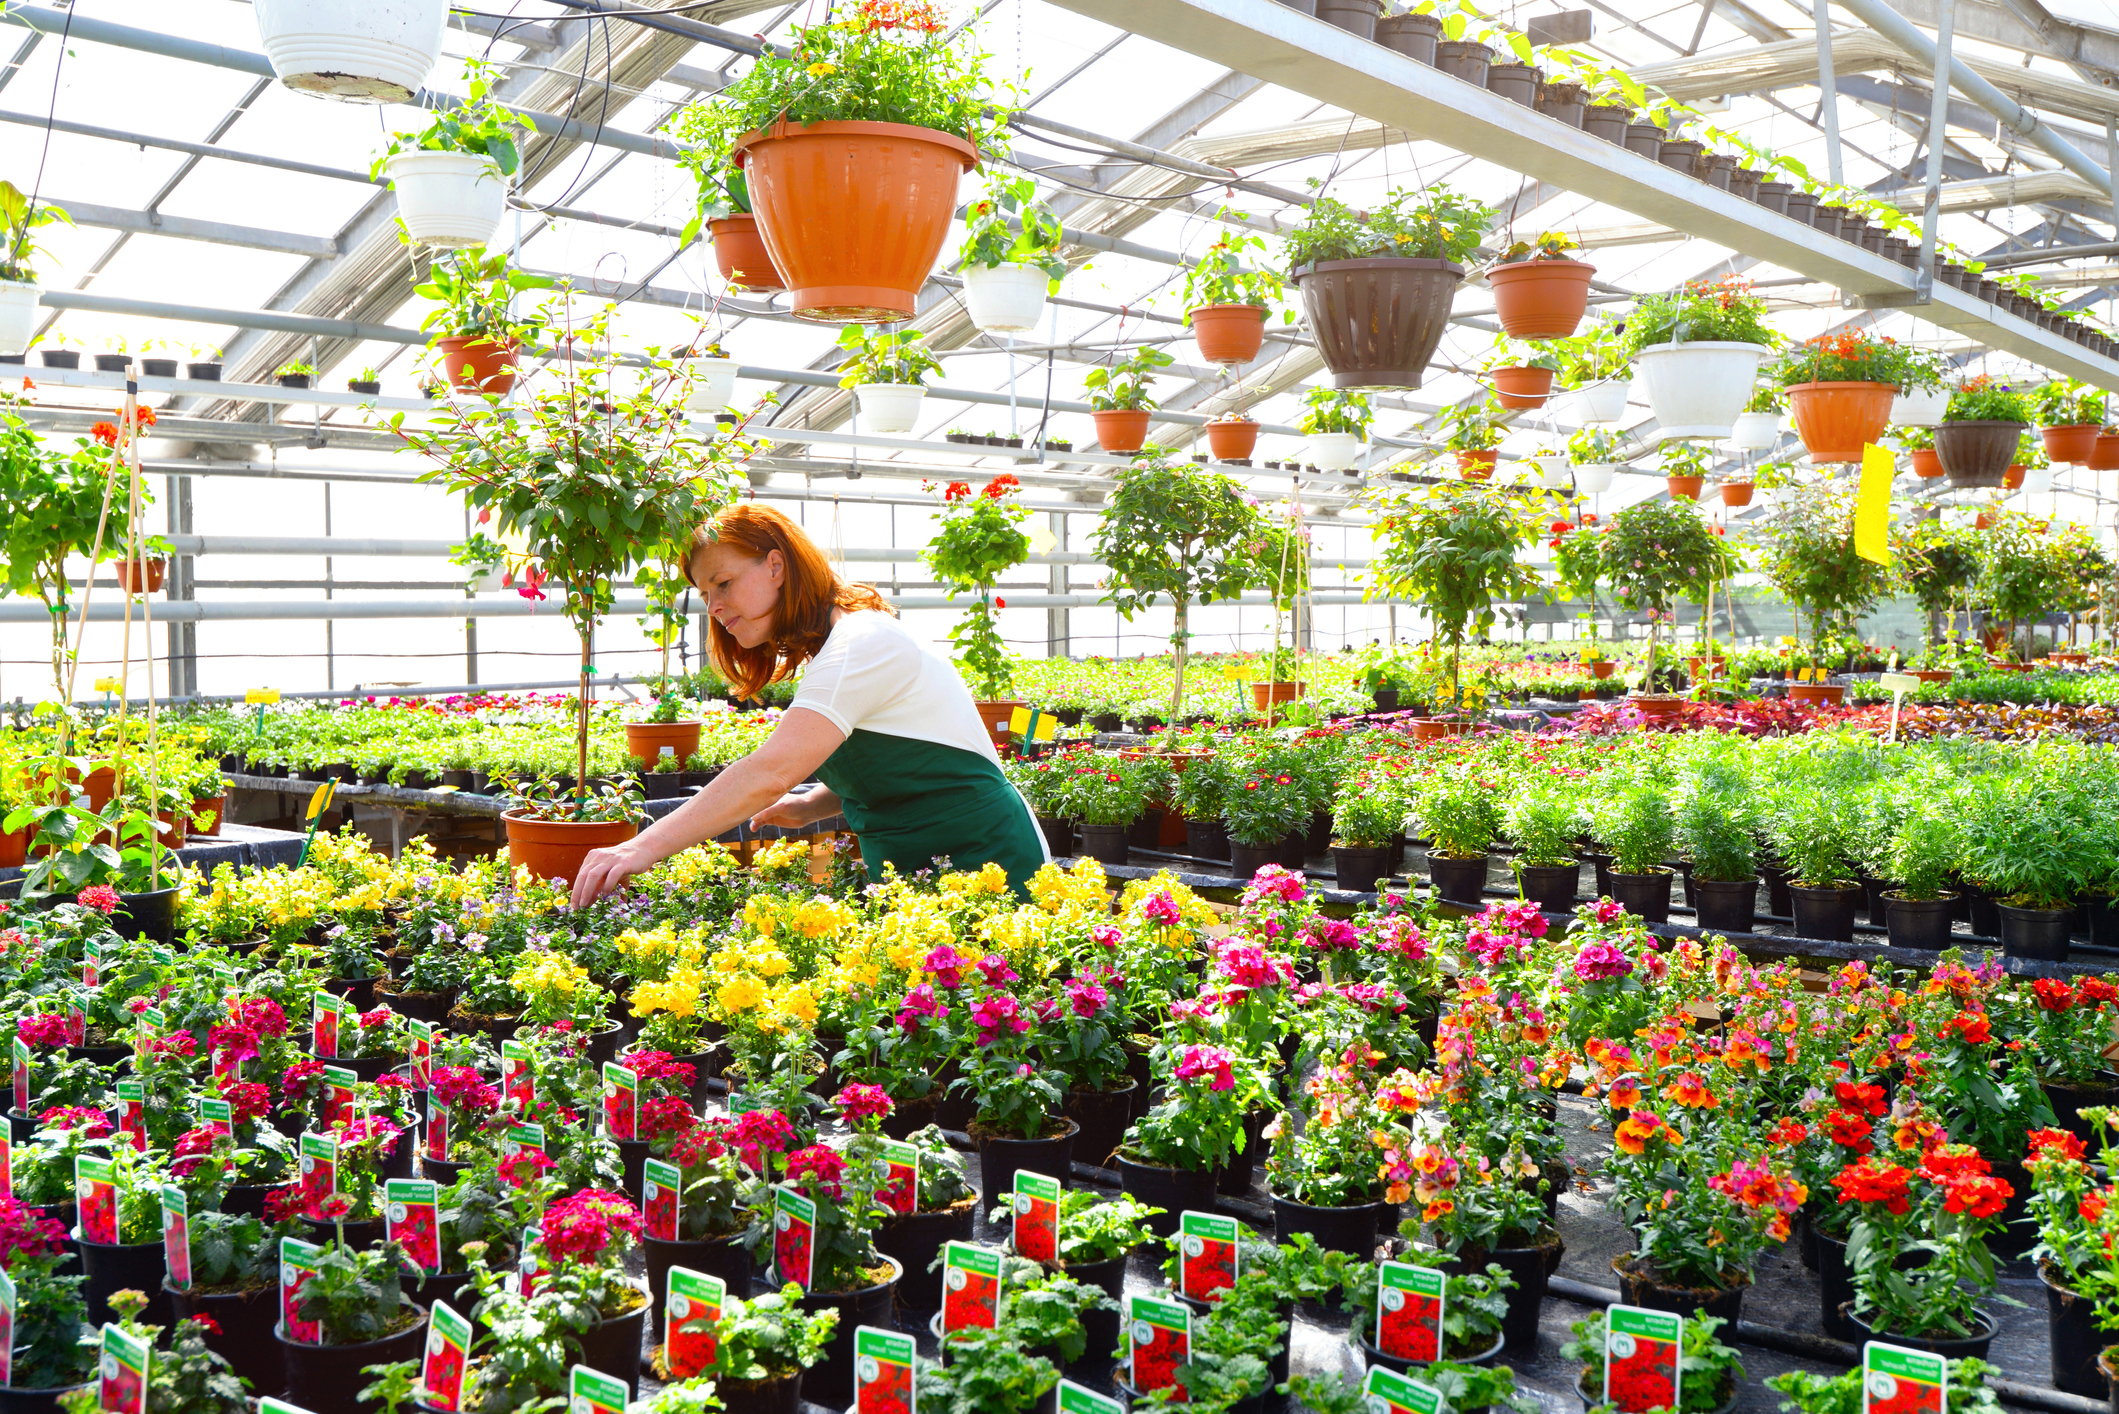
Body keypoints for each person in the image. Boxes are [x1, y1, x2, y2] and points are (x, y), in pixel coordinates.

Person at [568, 503, 1048, 907]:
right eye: (705, 593)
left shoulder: (862, 642)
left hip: (989, 860)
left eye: (724, 583)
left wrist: (638, 848)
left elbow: (769, 771)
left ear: (775, 566)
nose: (713, 605)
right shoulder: (839, 645)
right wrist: (814, 803)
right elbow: (914, 761)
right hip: (912, 872)